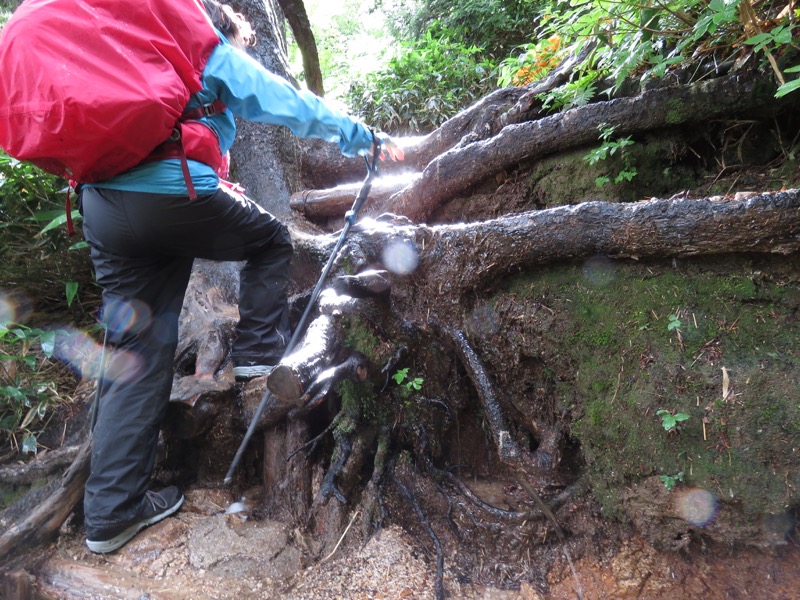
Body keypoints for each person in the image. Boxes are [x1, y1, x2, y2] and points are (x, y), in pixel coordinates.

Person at [80, 0, 402, 554]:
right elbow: (281, 100)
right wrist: (359, 135)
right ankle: (257, 351)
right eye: (242, 44)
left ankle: (110, 514)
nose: (241, 53)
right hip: (171, 194)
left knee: (136, 350)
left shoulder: (123, 57)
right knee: (271, 239)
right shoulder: (199, 45)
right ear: (221, 28)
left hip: (102, 207)